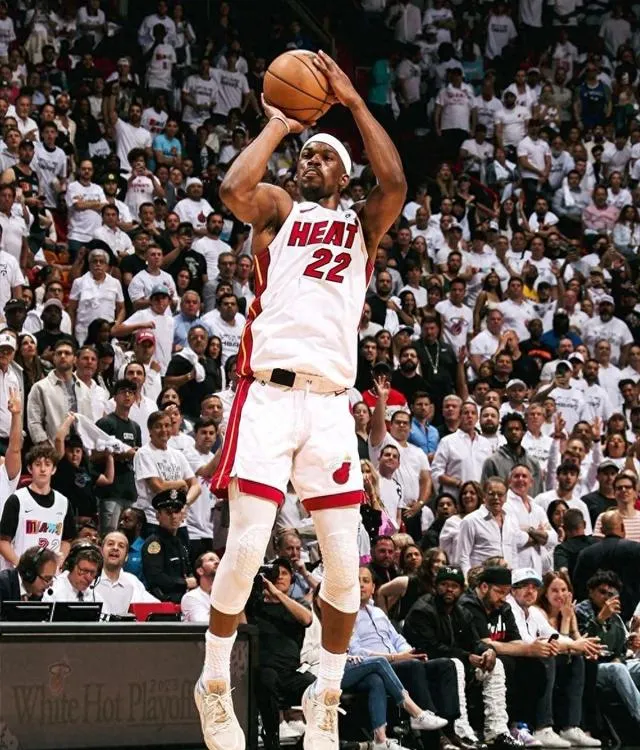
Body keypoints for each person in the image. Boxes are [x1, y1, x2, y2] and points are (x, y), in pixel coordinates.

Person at [404, 565, 518, 750]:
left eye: (454, 586)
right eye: (444, 584)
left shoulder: (461, 612)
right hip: (426, 665)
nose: (449, 589)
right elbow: (430, 648)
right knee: (455, 664)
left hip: (455, 662)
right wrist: (467, 657)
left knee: (495, 664)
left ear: (461, 589)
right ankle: (461, 730)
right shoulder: (422, 610)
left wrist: (488, 651)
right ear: (436, 586)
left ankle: (496, 731)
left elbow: (475, 641)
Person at [507, 568, 601, 747]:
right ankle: (542, 727)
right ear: (513, 590)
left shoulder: (532, 612)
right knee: (548, 655)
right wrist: (574, 645)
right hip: (514, 656)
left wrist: (580, 645)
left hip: (530, 656)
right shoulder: (510, 607)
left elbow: (553, 635)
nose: (530, 591)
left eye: (534, 587)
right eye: (524, 586)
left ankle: (570, 727)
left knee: (577, 659)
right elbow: (528, 642)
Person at [0, 443, 75, 568]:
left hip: (50, 575)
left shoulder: (63, 502)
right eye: (38, 464)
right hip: (21, 573)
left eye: (47, 464)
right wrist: (21, 565)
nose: (43, 469)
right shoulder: (17, 499)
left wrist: (58, 562)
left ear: (54, 469)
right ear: (30, 468)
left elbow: (67, 540)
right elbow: (3, 541)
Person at [572, 509, 640, 620]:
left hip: (595, 617)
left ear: (602, 530)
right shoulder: (637, 550)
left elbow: (579, 587)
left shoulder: (586, 554)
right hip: (632, 615)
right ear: (623, 528)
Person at [26, 340, 93, 445]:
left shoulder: (85, 389)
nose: (63, 356)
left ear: (75, 359)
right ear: (54, 358)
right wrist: (45, 447)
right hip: (52, 447)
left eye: (67, 353)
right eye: (59, 353)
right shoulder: (40, 387)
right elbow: (34, 422)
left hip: (81, 449)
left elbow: (89, 422)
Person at [457, 477, 527, 574]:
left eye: (500, 494)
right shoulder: (470, 521)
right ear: (484, 496)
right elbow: (462, 557)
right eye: (491, 494)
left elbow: (513, 552)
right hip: (481, 579)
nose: (496, 498)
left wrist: (515, 576)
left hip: (508, 578)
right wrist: (468, 579)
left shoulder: (511, 520)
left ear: (506, 497)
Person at [142, 489, 196, 603]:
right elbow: (155, 577)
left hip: (183, 600)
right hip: (162, 602)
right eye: (168, 512)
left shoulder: (180, 542)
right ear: (158, 516)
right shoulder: (154, 543)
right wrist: (184, 583)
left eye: (177, 512)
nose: (174, 516)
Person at [96, 531, 158, 615]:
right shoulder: (91, 579)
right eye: (110, 544)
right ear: (101, 552)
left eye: (121, 546)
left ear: (126, 557)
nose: (115, 548)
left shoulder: (132, 581)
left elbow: (157, 607)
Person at [44, 541, 106, 607]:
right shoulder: (52, 591)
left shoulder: (95, 598)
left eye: (92, 572)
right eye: (83, 571)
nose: (88, 578)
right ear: (71, 566)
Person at [553, 509, 595, 578]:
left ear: (564, 528)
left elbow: (563, 572)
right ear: (584, 524)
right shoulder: (597, 544)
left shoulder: (562, 550)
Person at [182, 552, 220, 623]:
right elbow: (202, 624)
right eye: (211, 560)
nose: (217, 562)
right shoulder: (191, 597)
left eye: (218, 560)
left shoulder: (227, 594)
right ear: (200, 571)